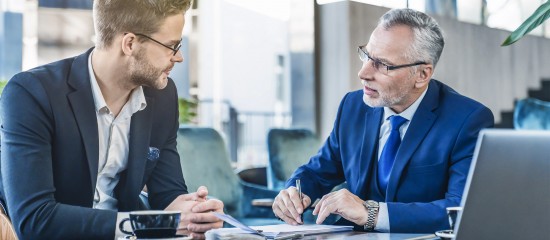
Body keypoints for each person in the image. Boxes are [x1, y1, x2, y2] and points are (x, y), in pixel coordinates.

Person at [0, 0, 223, 239]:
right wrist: (146, 224)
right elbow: (35, 220)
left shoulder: (162, 96)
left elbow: (167, 194)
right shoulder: (32, 93)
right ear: (129, 44)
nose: (178, 57)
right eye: (172, 46)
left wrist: (193, 212)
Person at [272, 8, 494, 233]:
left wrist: (372, 213)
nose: (363, 73)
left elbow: (459, 209)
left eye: (382, 64)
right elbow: (317, 172)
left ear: (422, 75)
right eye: (367, 56)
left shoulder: (468, 120)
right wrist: (294, 192)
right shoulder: (353, 106)